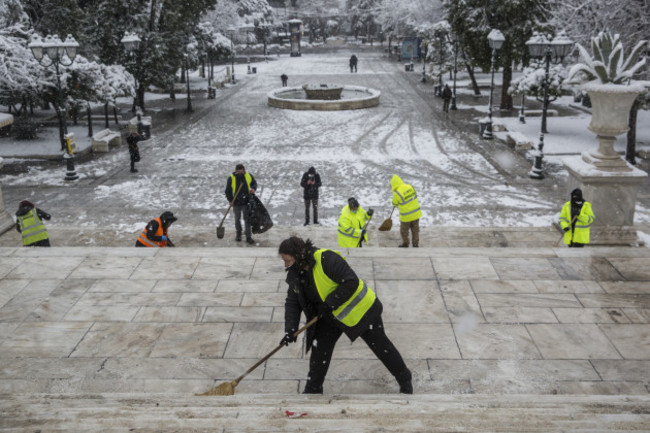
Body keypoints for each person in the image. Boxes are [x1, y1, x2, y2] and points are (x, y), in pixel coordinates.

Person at [278, 236, 412, 394]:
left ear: (298, 256)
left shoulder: (326, 259)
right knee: (319, 354)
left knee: (381, 347)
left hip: (361, 311)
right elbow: (292, 302)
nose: (285, 265)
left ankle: (405, 379)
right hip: (328, 317)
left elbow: (351, 281)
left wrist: (330, 303)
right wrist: (290, 329)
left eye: (287, 260)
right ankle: (312, 390)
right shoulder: (295, 274)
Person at [225, 163, 258, 244]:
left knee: (247, 220)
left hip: (246, 201)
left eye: (241, 171)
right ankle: (238, 235)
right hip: (235, 202)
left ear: (244, 170)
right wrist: (230, 200)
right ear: (236, 171)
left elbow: (254, 183)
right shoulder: (231, 178)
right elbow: (228, 191)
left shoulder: (248, 175)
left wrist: (253, 188)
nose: (240, 173)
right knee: (237, 219)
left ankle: (248, 237)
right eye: (238, 172)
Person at [390, 175, 422, 248]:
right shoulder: (409, 186)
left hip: (406, 216)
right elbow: (415, 195)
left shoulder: (396, 193)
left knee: (404, 231)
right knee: (415, 229)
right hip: (416, 213)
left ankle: (405, 243)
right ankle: (415, 244)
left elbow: (394, 203)